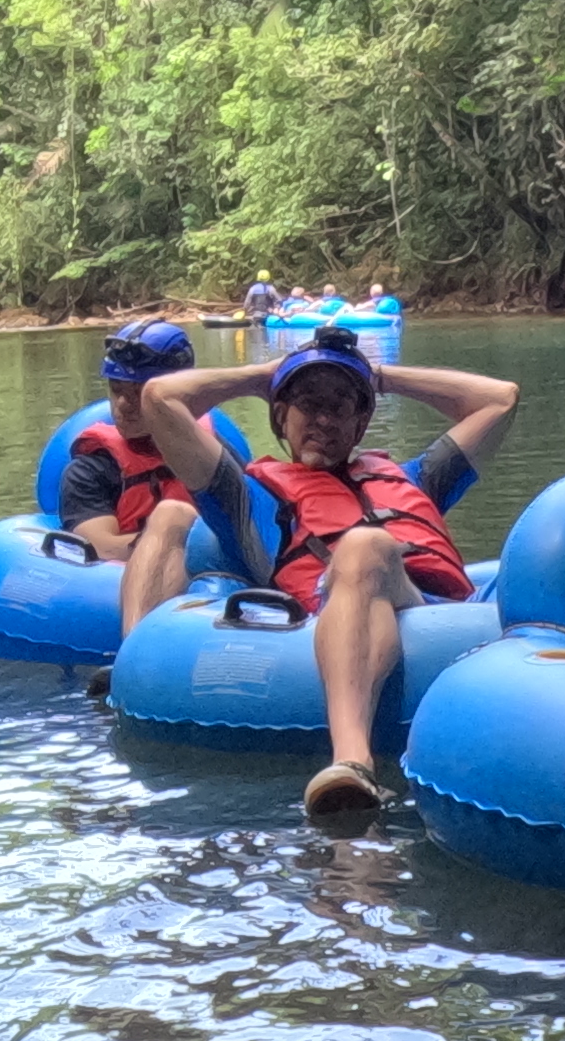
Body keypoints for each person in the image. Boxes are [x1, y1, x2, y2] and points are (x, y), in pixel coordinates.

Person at [139, 321, 521, 824]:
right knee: (364, 546)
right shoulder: (243, 497)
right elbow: (159, 398)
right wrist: (263, 376)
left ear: (360, 425)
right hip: (340, 600)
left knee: (371, 546)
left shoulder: (415, 478)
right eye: (307, 403)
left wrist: (376, 376)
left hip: (440, 609)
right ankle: (353, 762)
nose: (323, 418)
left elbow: (501, 399)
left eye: (340, 406)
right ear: (281, 415)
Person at [53, 317, 210, 638]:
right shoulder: (90, 470)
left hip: (212, 584)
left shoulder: (211, 458)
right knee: (173, 516)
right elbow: (101, 547)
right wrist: (180, 542)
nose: (124, 404)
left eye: (140, 392)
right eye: (116, 390)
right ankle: (136, 652)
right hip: (128, 579)